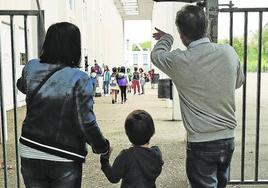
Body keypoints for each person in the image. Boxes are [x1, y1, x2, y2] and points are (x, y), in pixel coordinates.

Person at [151, 5, 245, 188]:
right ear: (206, 27)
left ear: (182, 36)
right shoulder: (228, 52)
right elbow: (237, 82)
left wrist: (167, 38)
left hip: (200, 143)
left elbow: (156, 56)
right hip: (227, 140)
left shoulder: (178, 61)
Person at [16, 22, 110, 188]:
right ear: (74, 46)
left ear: (48, 43)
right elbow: (85, 122)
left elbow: (22, 86)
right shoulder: (80, 78)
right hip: (64, 154)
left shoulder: (31, 66)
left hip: (29, 149)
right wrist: (102, 146)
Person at [100, 110, 164, 188]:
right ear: (152, 132)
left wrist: (104, 160)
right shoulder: (156, 154)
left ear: (128, 134)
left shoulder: (126, 156)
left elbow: (113, 177)